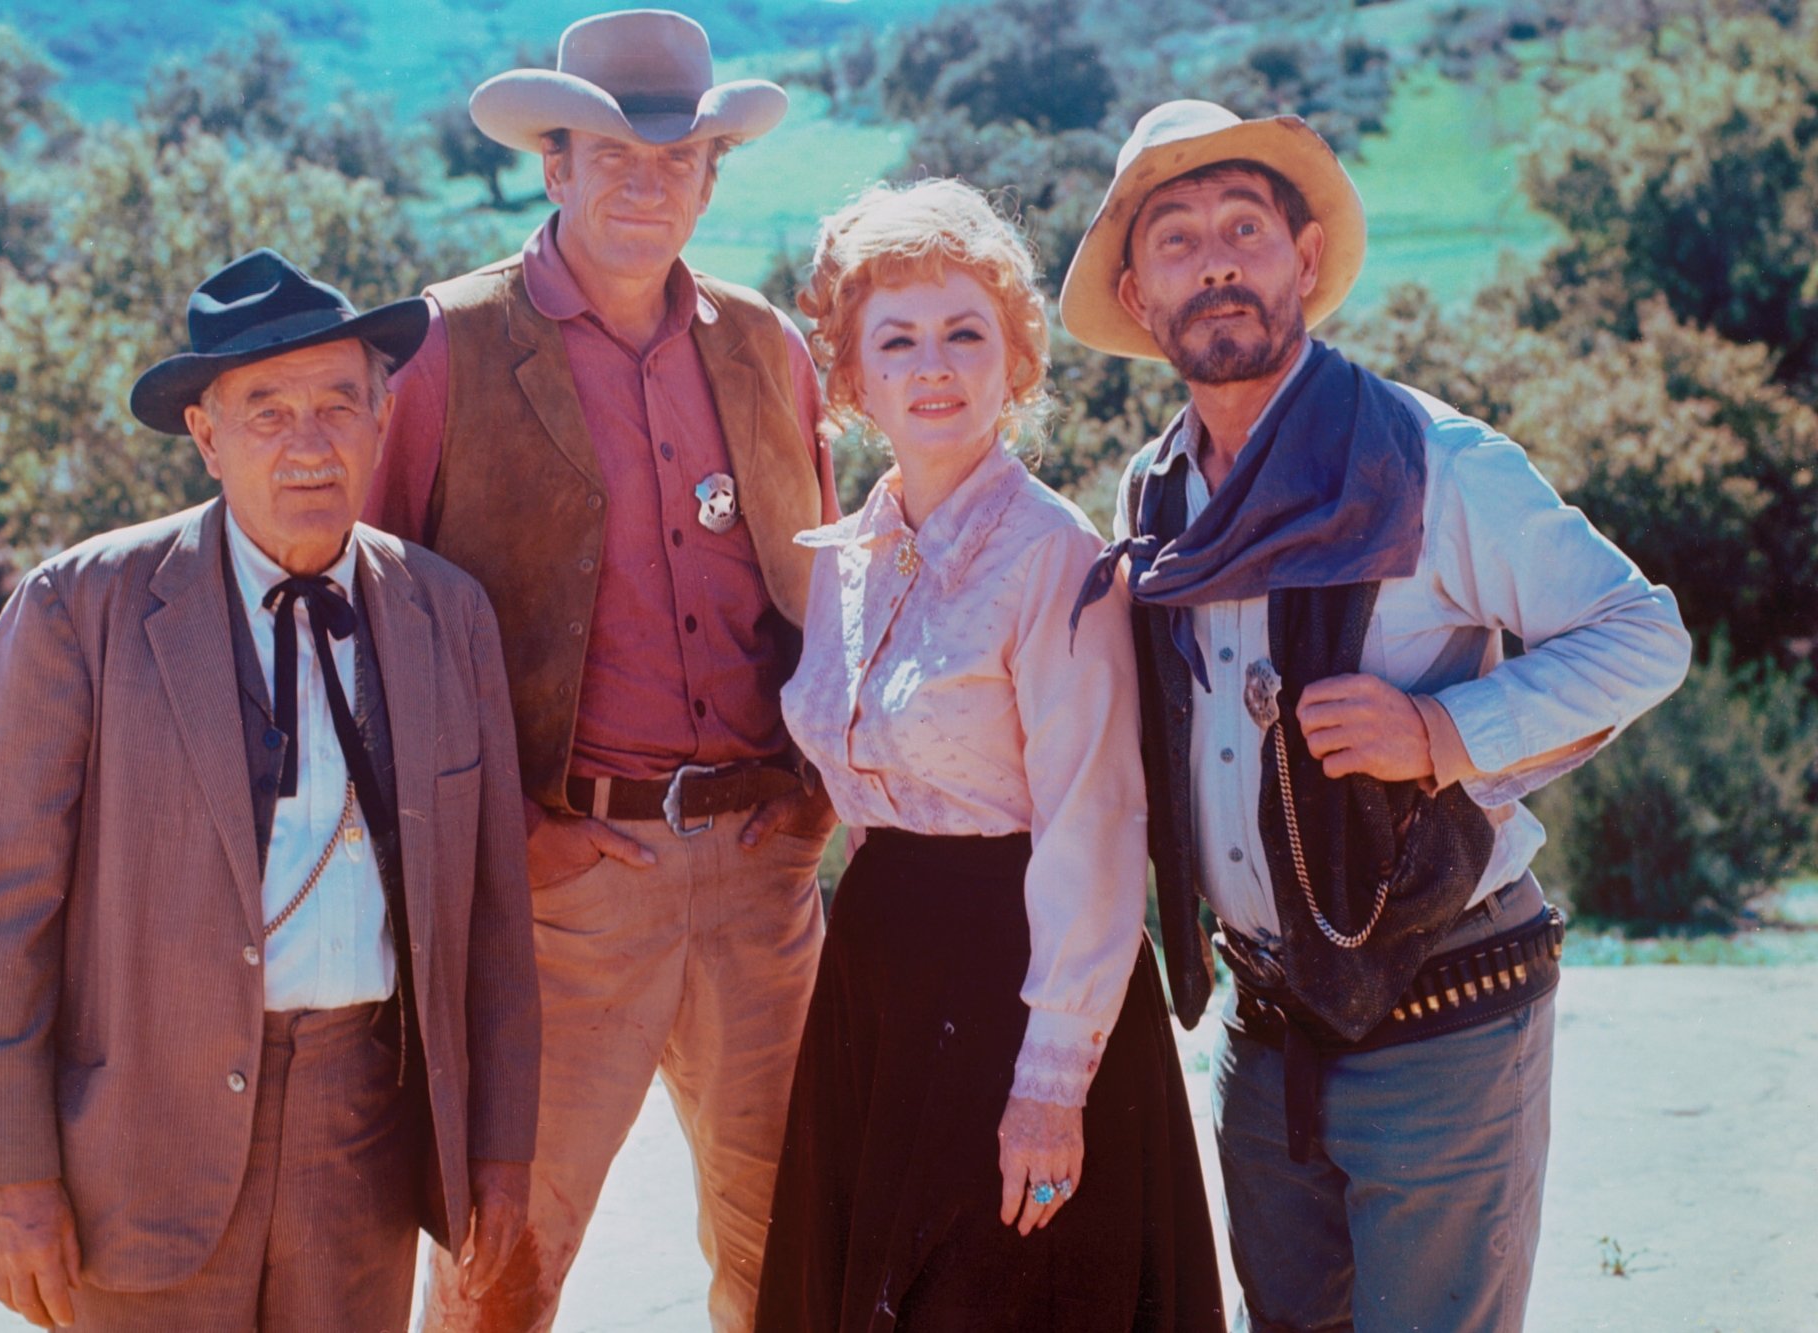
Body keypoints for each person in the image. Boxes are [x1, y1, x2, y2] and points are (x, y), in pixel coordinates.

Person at [1059, 101, 1692, 1331]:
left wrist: (1441, 737)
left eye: (1244, 225)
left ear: (1301, 263)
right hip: (1267, 1031)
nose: (1217, 260)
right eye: (1176, 240)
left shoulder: (1428, 460)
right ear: (1138, 298)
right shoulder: (1153, 491)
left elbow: (1640, 634)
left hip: (1446, 1016)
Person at [0, 249, 541, 1331]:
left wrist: (496, 1149)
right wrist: (12, 1176)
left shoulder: (449, 615)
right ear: (204, 436)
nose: (307, 442)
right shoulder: (81, 608)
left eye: (336, 404)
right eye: (265, 410)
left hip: (361, 1140)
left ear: (382, 415)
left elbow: (493, 918)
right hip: (135, 1147)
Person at [362, 11, 840, 1330]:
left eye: (676, 155)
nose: (646, 177)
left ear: (710, 177)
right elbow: (364, 617)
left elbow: (832, 590)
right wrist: (506, 833)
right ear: (553, 168)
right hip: (558, 888)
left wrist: (819, 796)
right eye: (610, 151)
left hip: (763, 872)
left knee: (792, 1251)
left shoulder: (768, 349)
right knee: (495, 1267)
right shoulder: (445, 349)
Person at [753, 178, 1225, 1332]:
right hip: (875, 985)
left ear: (1014, 361)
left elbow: (1095, 828)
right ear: (851, 377)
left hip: (1023, 990)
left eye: (967, 333)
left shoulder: (1053, 557)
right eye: (897, 340)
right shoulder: (845, 557)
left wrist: (1050, 1086)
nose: (934, 367)